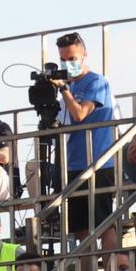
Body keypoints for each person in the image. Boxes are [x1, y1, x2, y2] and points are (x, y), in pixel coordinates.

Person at [48, 32, 118, 246]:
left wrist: (63, 89)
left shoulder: (97, 81)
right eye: (64, 59)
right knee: (81, 230)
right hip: (73, 164)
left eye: (72, 59)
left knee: (104, 224)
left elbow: (79, 114)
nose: (68, 64)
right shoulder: (70, 86)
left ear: (84, 56)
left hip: (99, 162)